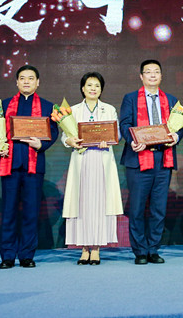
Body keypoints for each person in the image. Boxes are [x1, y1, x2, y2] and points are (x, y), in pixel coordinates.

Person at [0, 65, 58, 269]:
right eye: (22, 78)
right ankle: (7, 255)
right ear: (17, 82)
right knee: (9, 211)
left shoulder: (48, 107)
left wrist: (42, 144)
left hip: (34, 166)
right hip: (10, 165)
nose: (26, 81)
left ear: (38, 82)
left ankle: (27, 255)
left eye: (31, 78)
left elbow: (54, 131)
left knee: (31, 212)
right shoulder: (3, 105)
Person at [119, 59, 183, 265]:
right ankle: (140, 251)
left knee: (158, 208)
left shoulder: (171, 100)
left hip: (163, 159)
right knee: (137, 208)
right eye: (148, 72)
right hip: (138, 159)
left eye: (156, 71)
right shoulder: (130, 98)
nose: (153, 75)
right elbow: (125, 124)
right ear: (141, 76)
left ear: (161, 76)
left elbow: (179, 126)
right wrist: (133, 141)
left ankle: (153, 249)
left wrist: (176, 137)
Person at [61, 72, 123, 265]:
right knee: (82, 205)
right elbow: (65, 136)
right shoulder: (73, 110)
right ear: (82, 88)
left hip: (101, 160)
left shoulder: (109, 109)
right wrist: (70, 141)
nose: (93, 89)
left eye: (97, 85)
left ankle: (96, 248)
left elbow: (117, 134)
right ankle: (84, 248)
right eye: (89, 85)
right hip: (82, 160)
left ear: (101, 89)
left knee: (100, 204)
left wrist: (109, 140)